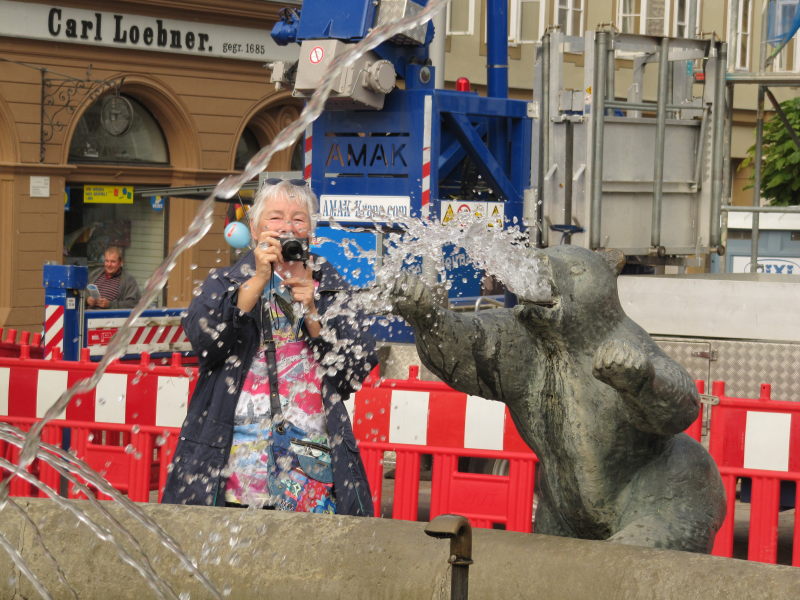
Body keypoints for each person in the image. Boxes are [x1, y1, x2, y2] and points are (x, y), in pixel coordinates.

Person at [162, 179, 377, 516]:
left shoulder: (331, 287)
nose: (287, 227)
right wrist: (258, 280)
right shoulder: (227, 281)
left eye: (298, 219)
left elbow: (354, 371)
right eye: (275, 218)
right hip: (235, 465)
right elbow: (205, 344)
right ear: (255, 227)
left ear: (311, 229)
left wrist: (314, 313)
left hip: (312, 471)